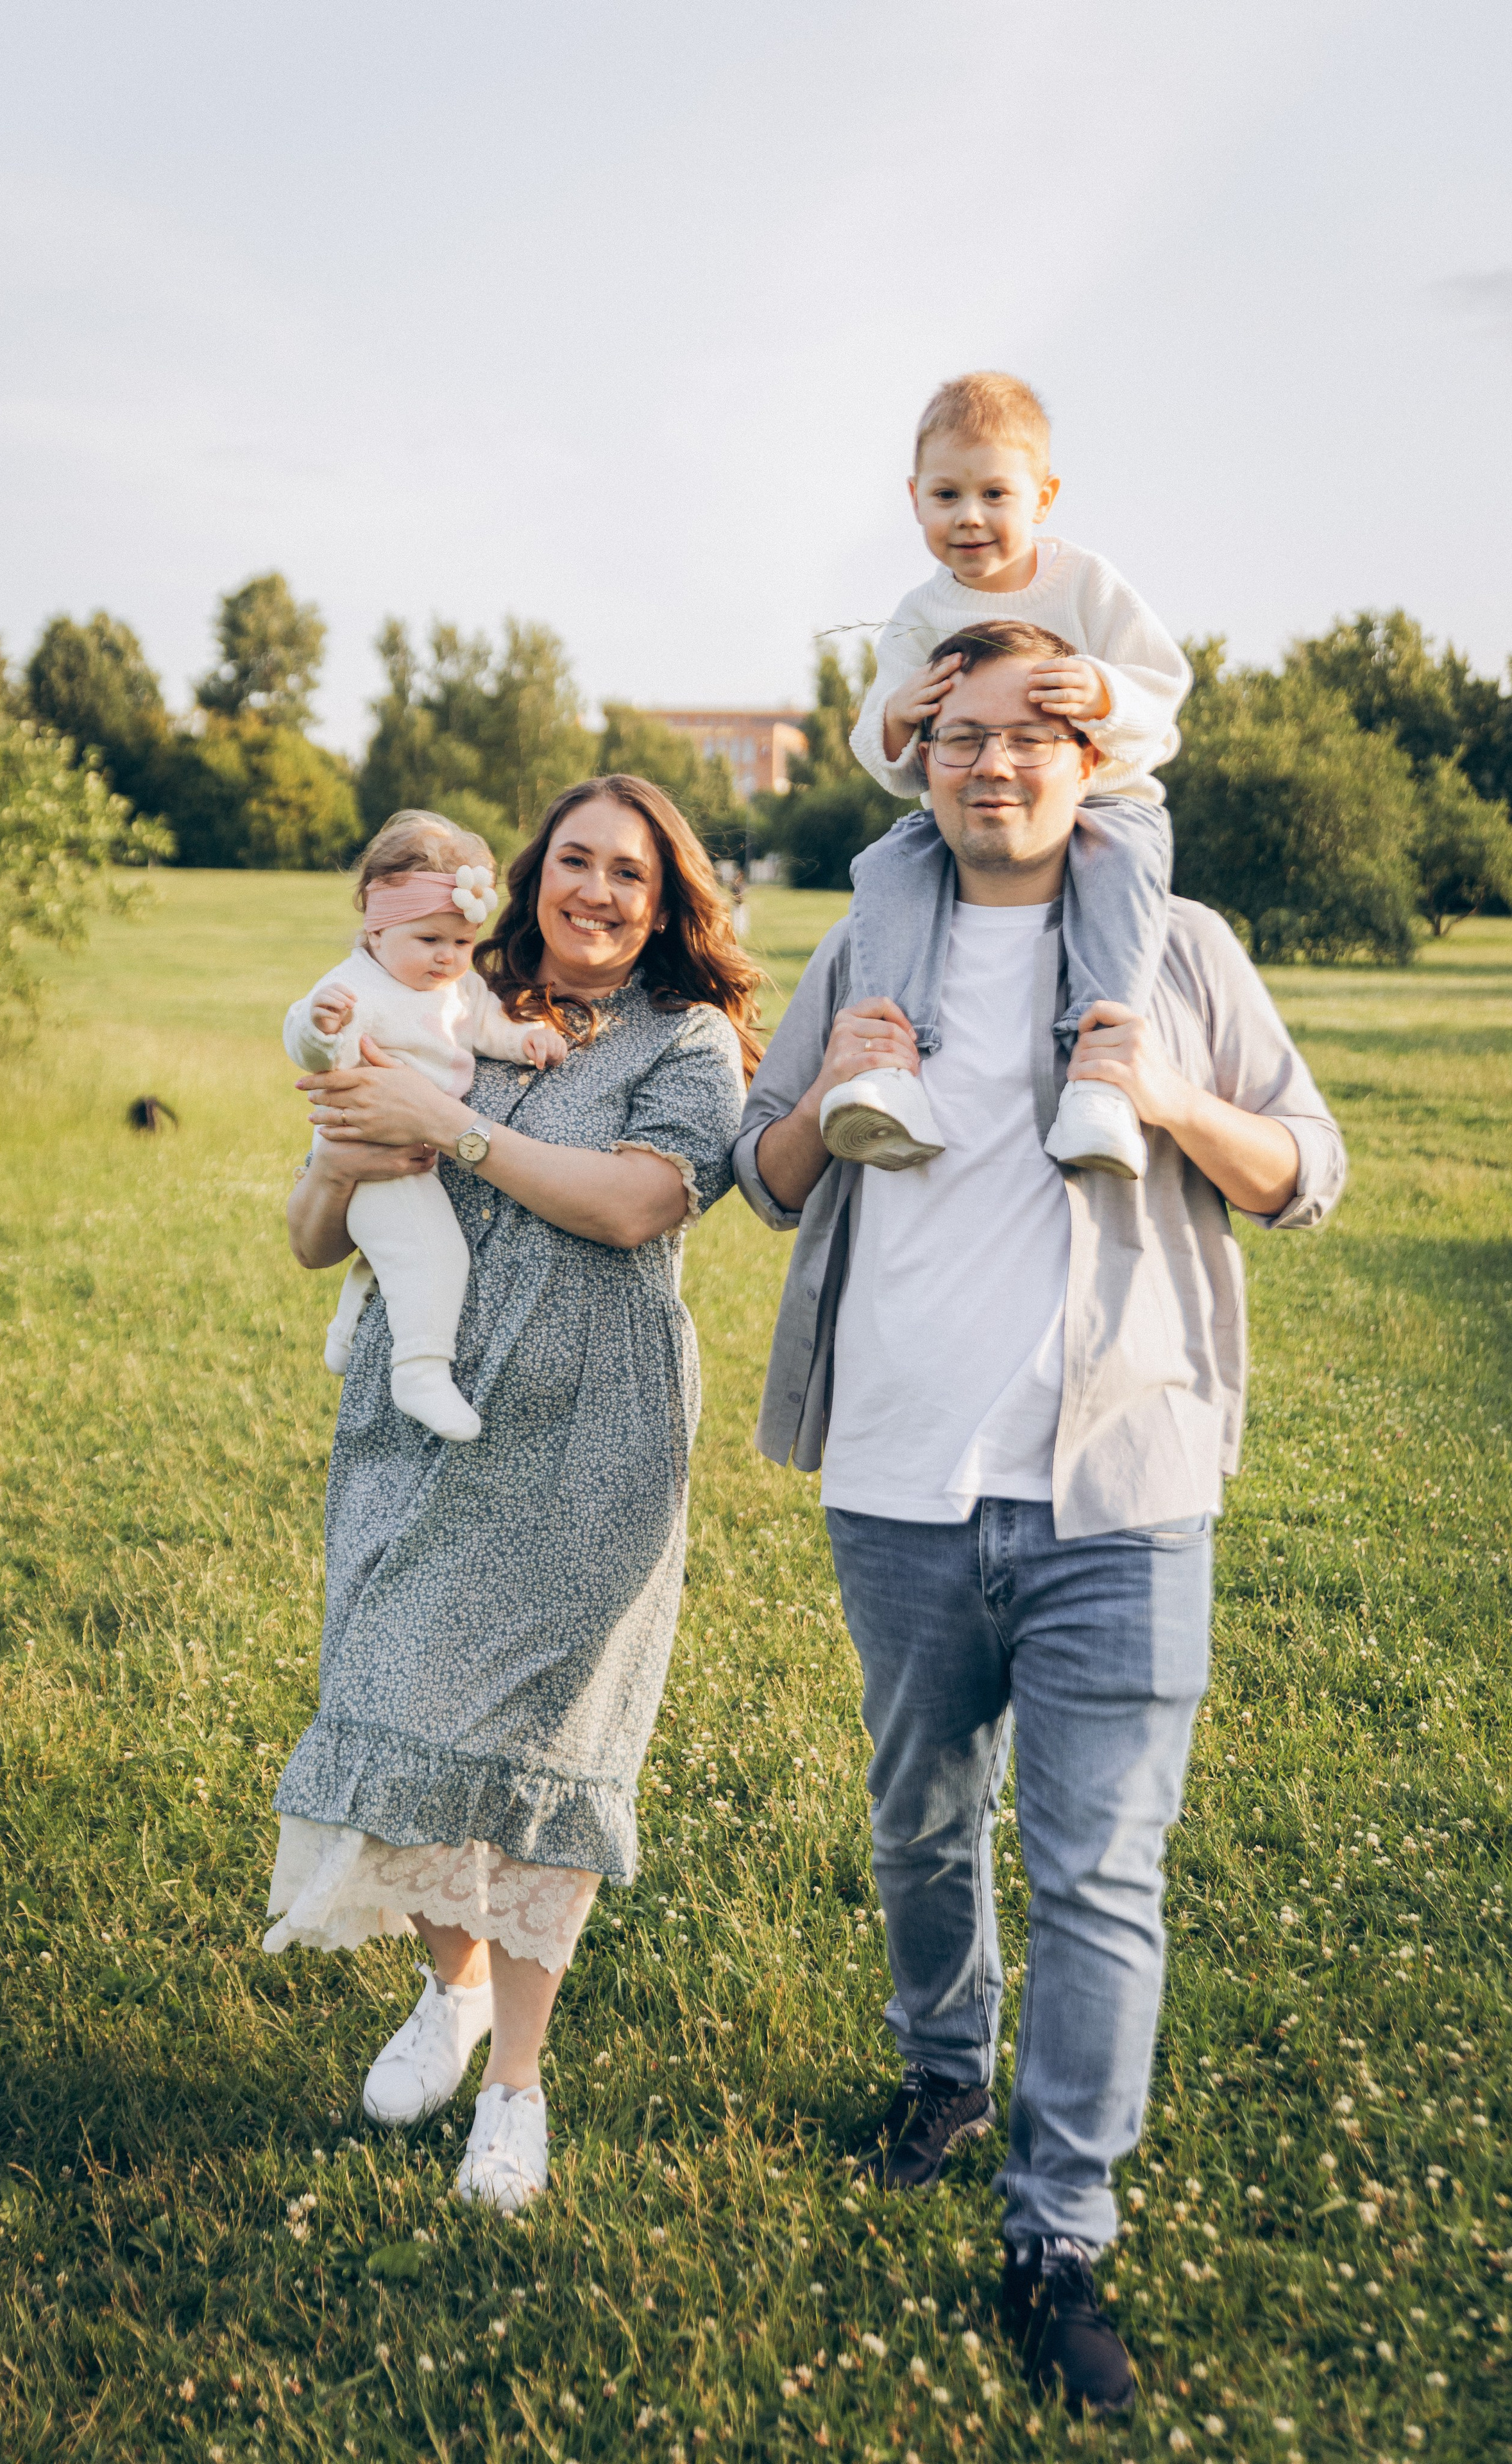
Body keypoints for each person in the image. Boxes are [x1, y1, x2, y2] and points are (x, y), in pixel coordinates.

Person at [735, 623, 1345, 2418]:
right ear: (917, 758)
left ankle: (1058, 2228)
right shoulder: (864, 940)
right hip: (900, 1480)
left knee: (1100, 1875)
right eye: (961, 738)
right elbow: (765, 1179)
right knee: (923, 1822)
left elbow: (1311, 1172)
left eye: (1033, 738)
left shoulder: (1182, 950)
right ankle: (942, 2069)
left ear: (1096, 765)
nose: (994, 766)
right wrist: (833, 1076)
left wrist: (1169, 1101)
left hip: (1121, 1489)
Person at [265, 776, 759, 2213]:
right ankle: (451, 1989)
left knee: (546, 1762)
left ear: (665, 906)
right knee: (401, 1703)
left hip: (591, 1435)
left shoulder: (691, 1043)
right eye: (576, 864)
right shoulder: (437, 989)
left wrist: (454, 1125)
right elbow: (313, 1230)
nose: (597, 893)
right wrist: (356, 1145)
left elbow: (633, 1205)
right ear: (531, 874)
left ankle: (515, 2088)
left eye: (632, 876)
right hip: (418, 1424)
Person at [824, 371, 1191, 1184]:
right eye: (947, 495)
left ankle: (1100, 1079)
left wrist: (1102, 691)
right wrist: (896, 716)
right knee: (888, 865)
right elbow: (879, 751)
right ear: (914, 499)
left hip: (1105, 800)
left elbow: (1161, 688)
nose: (970, 517)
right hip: (964, 814)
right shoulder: (921, 615)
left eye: (995, 493)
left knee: (1123, 864)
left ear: (1044, 497)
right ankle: (889, 1066)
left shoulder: (1086, 584)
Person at [282, 811, 568, 1441]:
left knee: (397, 1247)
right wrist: (317, 1028)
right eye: (429, 940)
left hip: (415, 1149)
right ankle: (419, 1373)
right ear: (377, 932)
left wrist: (526, 1041)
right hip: (369, 1151)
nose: (448, 959)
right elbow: (311, 1048)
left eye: (462, 944)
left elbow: (487, 1028)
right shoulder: (354, 987)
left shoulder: (459, 989)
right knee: (433, 1252)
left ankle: (346, 1327)